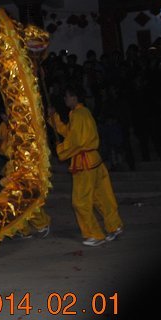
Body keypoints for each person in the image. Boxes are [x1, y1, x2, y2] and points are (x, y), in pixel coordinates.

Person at [49, 86, 123, 247]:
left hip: (85, 163)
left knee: (80, 201)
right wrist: (54, 118)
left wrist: (60, 149)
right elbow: (70, 133)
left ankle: (95, 234)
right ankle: (114, 226)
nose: (65, 99)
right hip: (94, 160)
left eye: (67, 96)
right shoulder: (82, 113)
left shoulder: (78, 115)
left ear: (74, 97)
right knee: (101, 196)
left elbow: (76, 141)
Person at [0, 109, 50, 238]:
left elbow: (17, 150)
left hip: (23, 168)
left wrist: (1, 145)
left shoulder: (21, 126)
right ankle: (23, 229)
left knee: (25, 198)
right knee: (14, 200)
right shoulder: (4, 126)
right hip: (11, 168)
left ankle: (42, 223)